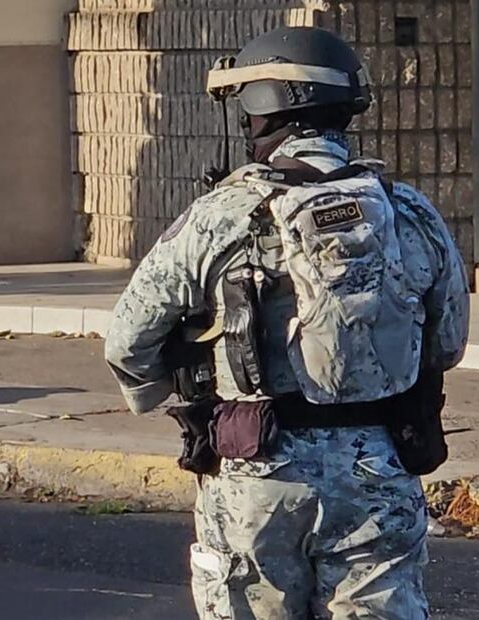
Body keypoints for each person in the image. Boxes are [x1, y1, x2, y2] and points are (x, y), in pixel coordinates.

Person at [104, 27, 470, 620]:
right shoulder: (409, 211)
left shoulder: (222, 215)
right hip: (379, 472)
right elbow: (448, 342)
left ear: (268, 104)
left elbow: (128, 341)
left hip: (257, 477)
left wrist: (164, 387)